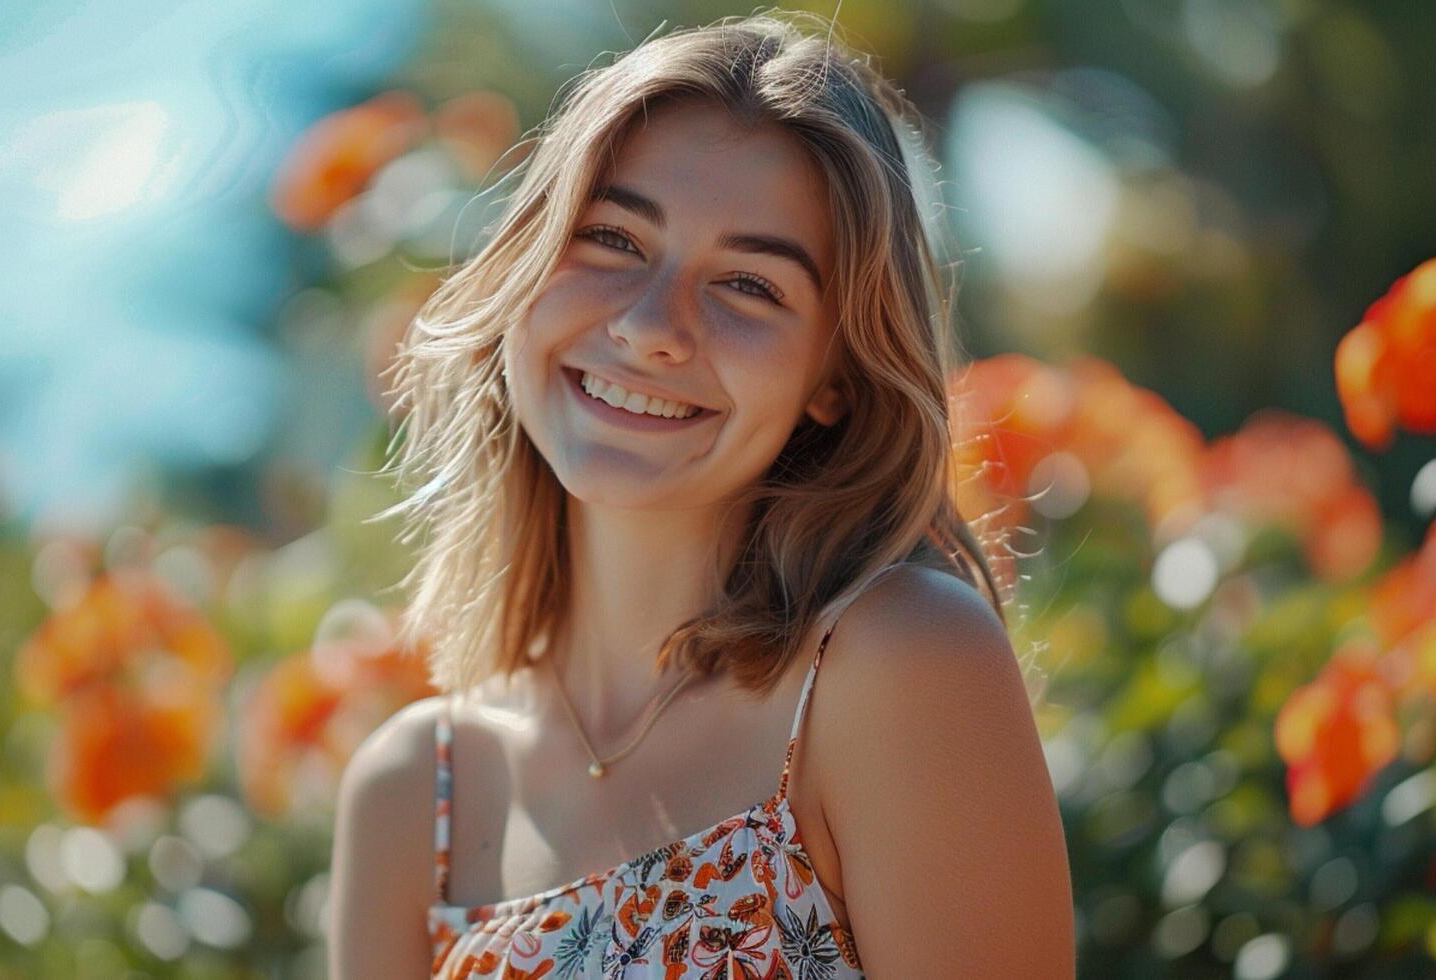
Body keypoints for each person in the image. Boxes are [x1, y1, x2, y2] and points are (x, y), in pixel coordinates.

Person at [327, 11, 1073, 978]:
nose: (651, 327)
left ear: (833, 379)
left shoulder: (896, 665)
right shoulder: (409, 796)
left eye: (750, 286)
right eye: (611, 238)